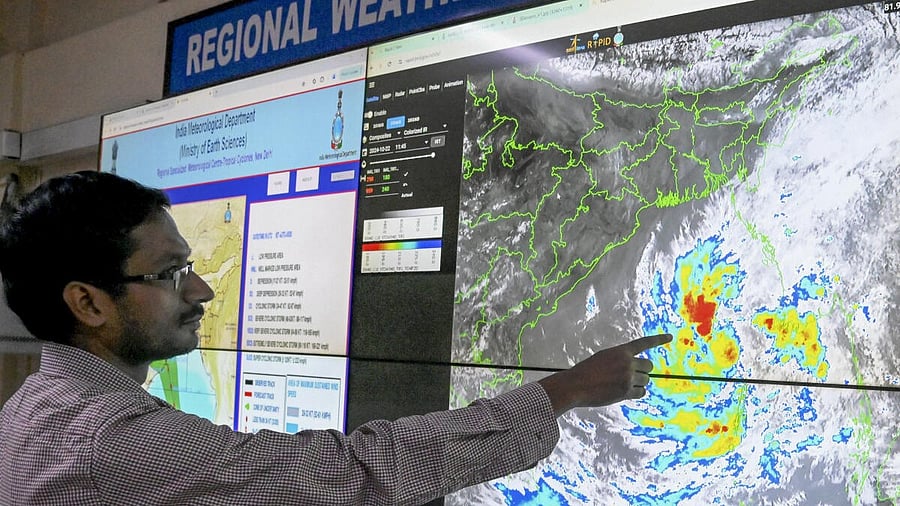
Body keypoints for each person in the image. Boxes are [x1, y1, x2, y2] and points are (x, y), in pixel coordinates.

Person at [0, 170, 671, 505]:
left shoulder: (32, 408)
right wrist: (561, 393)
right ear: (87, 302)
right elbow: (348, 472)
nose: (200, 292)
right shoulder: (111, 441)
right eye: (172, 273)